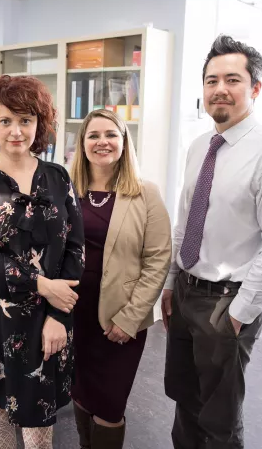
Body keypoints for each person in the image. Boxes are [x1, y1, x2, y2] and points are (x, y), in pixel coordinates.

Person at [162, 35, 262, 449]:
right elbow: (185, 221)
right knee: (184, 400)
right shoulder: (198, 147)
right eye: (211, 80)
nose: (219, 89)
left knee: (219, 419)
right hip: (188, 293)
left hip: (228, 301)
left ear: (254, 88)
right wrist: (172, 284)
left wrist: (240, 315)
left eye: (232, 79)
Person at [0, 75, 85, 449]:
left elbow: (76, 247)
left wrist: (59, 316)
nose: (16, 131)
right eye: (5, 120)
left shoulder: (58, 177)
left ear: (39, 124)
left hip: (50, 318)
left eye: (26, 120)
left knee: (40, 430)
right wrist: (43, 285)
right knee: (0, 423)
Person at [69, 109, 172, 449]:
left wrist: (130, 319)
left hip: (120, 316)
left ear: (124, 141)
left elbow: (158, 258)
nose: (102, 142)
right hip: (74, 312)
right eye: (93, 135)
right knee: (81, 391)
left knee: (110, 405)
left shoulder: (145, 193)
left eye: (110, 134)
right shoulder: (68, 192)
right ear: (82, 144)